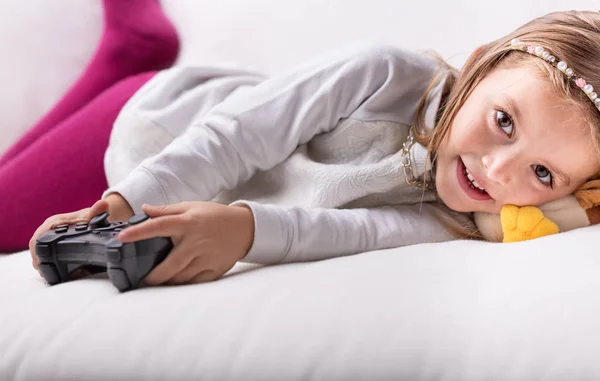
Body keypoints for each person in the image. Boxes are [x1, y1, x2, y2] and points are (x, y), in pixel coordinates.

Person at [17, 9, 600, 286]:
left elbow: (361, 233)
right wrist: (127, 199)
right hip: (161, 126)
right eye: (503, 120)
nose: (497, 170)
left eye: (544, 174)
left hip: (197, 195)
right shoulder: (381, 72)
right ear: (477, 65)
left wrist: (244, 230)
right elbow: (234, 137)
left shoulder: (465, 221)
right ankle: (134, 54)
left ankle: (123, 55)